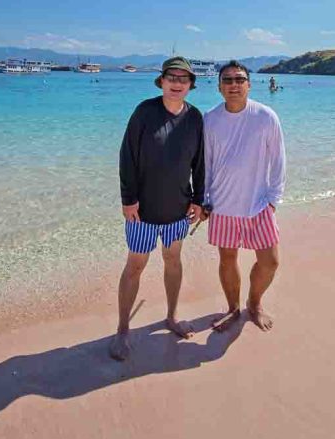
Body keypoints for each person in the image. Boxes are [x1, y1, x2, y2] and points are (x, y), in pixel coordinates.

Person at [110, 56, 205, 361]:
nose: (177, 83)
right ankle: (123, 329)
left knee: (173, 259)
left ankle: (172, 317)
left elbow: (200, 163)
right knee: (135, 266)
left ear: (190, 85)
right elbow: (127, 157)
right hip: (142, 211)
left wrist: (199, 200)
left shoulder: (195, 118)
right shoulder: (144, 112)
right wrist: (128, 199)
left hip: (178, 209)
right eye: (171, 77)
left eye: (183, 79)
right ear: (162, 81)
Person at [203, 60, 286, 333]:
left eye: (239, 80)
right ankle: (232, 308)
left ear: (249, 85)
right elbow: (204, 164)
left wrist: (274, 199)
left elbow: (279, 160)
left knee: (270, 261)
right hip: (222, 205)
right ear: (219, 87)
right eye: (227, 80)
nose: (234, 85)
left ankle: (254, 303)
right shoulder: (210, 120)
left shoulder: (266, 116)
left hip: (259, 204)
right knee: (227, 259)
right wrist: (204, 199)